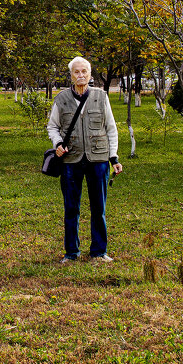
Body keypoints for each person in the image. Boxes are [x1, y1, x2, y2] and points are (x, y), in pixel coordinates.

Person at [46, 56, 122, 263]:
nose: (81, 75)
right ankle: (71, 252)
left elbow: (111, 128)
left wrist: (113, 157)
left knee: (99, 207)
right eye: (76, 72)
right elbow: (52, 126)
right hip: (71, 160)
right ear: (71, 75)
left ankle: (99, 251)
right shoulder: (61, 98)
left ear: (90, 74)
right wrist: (58, 143)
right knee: (71, 208)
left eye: (84, 72)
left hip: (98, 159)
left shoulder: (101, 96)